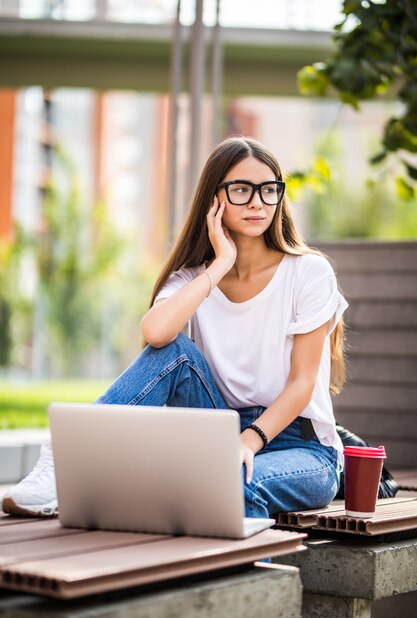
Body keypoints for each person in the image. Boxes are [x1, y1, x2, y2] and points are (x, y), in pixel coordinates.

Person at [2, 136, 348, 520]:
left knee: (230, 483)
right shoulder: (193, 280)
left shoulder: (308, 272)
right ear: (213, 200)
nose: (257, 202)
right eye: (241, 190)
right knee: (173, 352)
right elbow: (157, 333)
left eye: (269, 190)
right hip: (219, 432)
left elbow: (302, 384)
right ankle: (66, 460)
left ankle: (246, 581)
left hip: (301, 447)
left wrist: (247, 443)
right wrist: (219, 266)